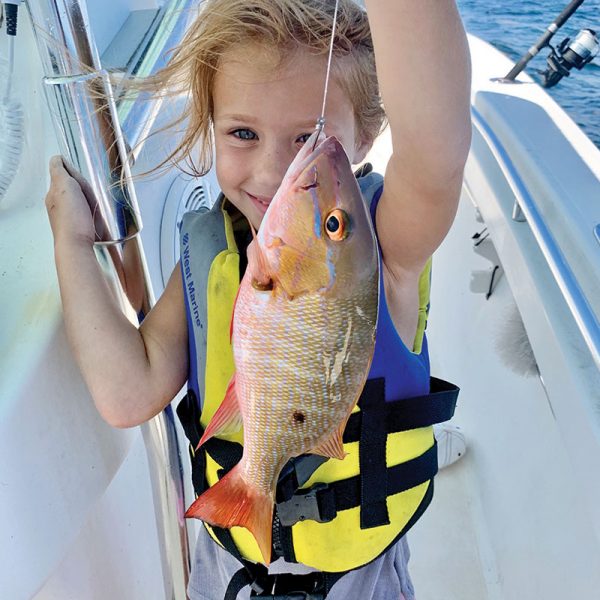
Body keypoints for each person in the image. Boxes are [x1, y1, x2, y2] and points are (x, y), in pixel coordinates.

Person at [45, 0, 471, 598]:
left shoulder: (384, 250)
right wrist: (70, 240)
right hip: (228, 567)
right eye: (243, 133)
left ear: (368, 133)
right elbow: (128, 391)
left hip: (359, 574)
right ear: (211, 125)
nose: (275, 171)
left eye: (311, 138)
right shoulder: (218, 255)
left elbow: (436, 156)